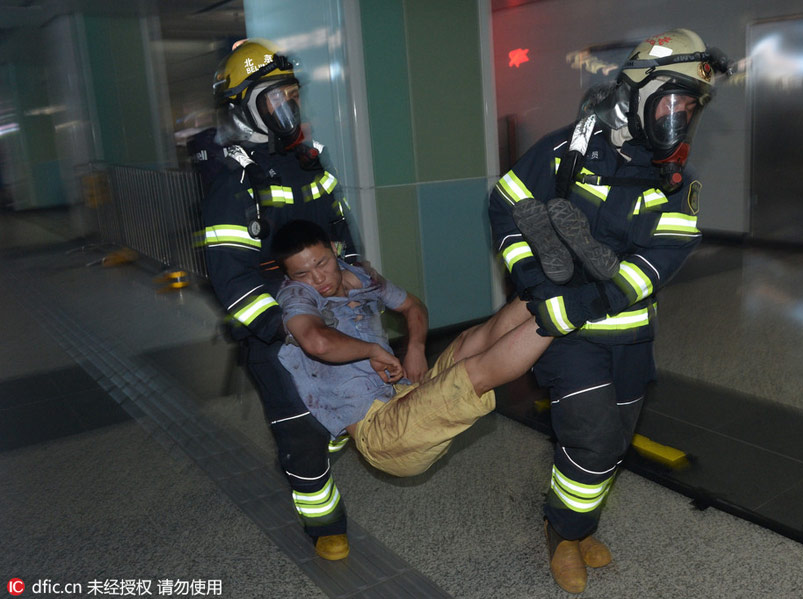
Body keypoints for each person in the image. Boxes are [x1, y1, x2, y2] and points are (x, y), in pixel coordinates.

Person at [488, 29, 731, 593]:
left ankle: (578, 523)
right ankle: (562, 534)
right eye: (670, 102)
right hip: (567, 335)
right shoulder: (567, 150)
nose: (679, 117)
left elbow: (659, 261)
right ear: (637, 93)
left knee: (612, 445)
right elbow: (506, 203)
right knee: (592, 439)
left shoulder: (678, 182)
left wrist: (591, 299)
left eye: (689, 107)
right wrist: (534, 282)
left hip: (628, 331)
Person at [200, 39, 361, 561]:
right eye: (275, 97)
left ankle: (310, 446)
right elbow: (232, 278)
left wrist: (355, 290)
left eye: (292, 94)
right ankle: (324, 521)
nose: (288, 106)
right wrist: (285, 329)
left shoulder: (311, 165)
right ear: (246, 108)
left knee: (345, 411)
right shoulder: (233, 183)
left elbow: (342, 238)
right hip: (274, 334)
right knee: (302, 435)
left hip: (330, 319)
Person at [270, 219, 553, 484]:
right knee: (473, 374)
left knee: (470, 341)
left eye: (322, 263)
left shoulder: (360, 277)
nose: (318, 278)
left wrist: (416, 348)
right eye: (302, 274)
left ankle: (551, 285)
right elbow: (317, 342)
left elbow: (412, 306)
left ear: (334, 249)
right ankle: (562, 313)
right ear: (290, 277)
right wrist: (372, 351)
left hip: (405, 396)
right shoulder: (295, 296)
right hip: (382, 434)